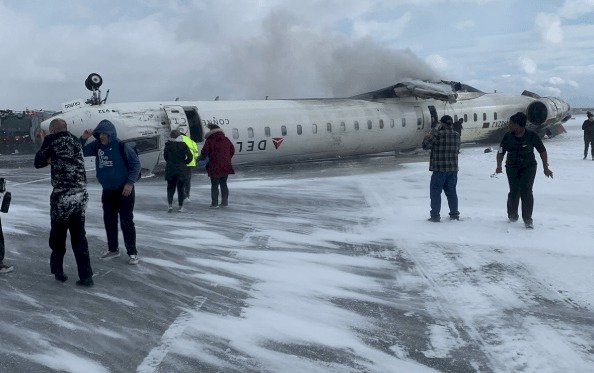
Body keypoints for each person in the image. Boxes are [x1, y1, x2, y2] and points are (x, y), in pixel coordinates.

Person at [34, 118, 94, 286]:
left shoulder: (51, 140)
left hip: (63, 196)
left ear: (53, 130)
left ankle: (58, 271)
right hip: (80, 194)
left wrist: (46, 152)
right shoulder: (75, 140)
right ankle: (86, 276)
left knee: (58, 236)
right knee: (79, 237)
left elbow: (38, 162)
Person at [80, 120, 141, 264]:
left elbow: (135, 164)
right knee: (109, 221)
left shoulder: (121, 146)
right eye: (99, 133)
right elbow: (80, 151)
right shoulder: (97, 146)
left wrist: (130, 183)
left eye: (104, 133)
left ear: (111, 134)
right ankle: (113, 249)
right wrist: (84, 138)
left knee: (126, 221)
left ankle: (132, 252)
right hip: (107, 190)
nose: (101, 136)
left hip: (124, 190)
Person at [495, 112, 553, 229]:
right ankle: (512, 216)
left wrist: (545, 167)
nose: (509, 125)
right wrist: (499, 165)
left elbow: (542, 151)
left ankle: (527, 219)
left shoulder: (532, 136)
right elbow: (501, 151)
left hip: (528, 167)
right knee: (514, 191)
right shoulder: (508, 136)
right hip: (512, 167)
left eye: (511, 123)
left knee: (526, 191)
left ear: (518, 125)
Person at [422, 115, 461, 222]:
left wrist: (428, 135)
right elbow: (457, 149)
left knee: (435, 193)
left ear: (442, 124)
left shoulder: (437, 134)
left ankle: (435, 216)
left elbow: (425, 146)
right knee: (452, 193)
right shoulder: (456, 135)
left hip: (439, 170)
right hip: (452, 169)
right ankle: (454, 214)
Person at [199, 124, 235, 208]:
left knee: (214, 185)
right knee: (223, 183)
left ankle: (214, 204)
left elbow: (204, 152)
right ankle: (224, 202)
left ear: (211, 131)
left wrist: (201, 158)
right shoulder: (226, 139)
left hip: (214, 166)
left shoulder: (210, 140)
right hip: (226, 165)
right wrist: (227, 158)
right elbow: (232, 150)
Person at [164, 130, 193, 212]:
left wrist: (170, 162)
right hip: (181, 169)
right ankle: (180, 207)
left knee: (170, 188)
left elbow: (165, 157)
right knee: (180, 189)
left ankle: (170, 206)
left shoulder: (168, 145)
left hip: (170, 169)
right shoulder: (183, 145)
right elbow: (190, 157)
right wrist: (185, 162)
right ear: (179, 136)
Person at [181, 132, 198, 201]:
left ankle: (182, 196)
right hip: (190, 164)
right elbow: (196, 153)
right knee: (187, 180)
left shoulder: (179, 142)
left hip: (181, 164)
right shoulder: (192, 142)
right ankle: (187, 195)